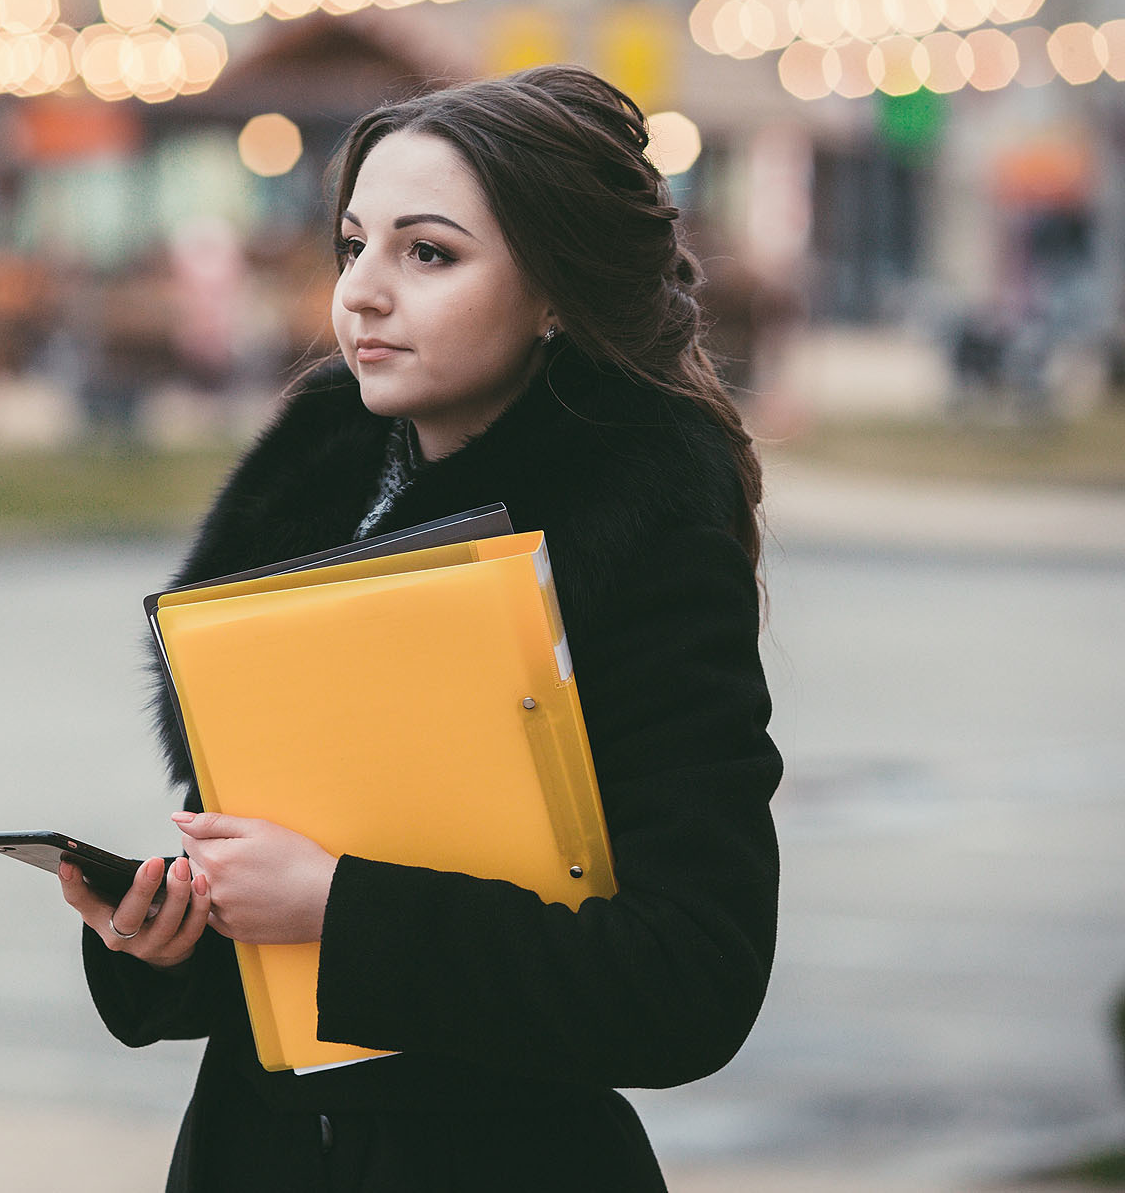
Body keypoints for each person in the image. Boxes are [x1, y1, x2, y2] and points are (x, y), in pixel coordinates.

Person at [57, 65, 781, 1191]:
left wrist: (336, 908)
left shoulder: (638, 535)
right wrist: (169, 936)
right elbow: (280, 885)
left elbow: (689, 980)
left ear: (554, 292)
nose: (360, 294)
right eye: (352, 245)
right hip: (256, 1153)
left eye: (427, 252)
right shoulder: (310, 488)